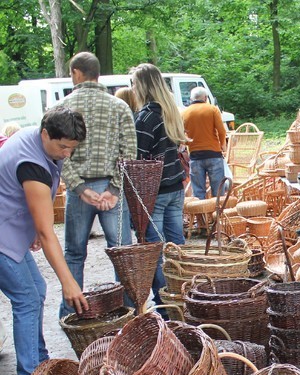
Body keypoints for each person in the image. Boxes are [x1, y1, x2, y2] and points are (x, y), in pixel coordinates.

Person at [0, 107, 89, 375]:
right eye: (62, 146)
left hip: (10, 229)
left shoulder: (36, 139)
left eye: (71, 148)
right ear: (45, 134)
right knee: (26, 297)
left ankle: (38, 361)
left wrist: (31, 229)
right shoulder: (33, 165)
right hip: (3, 236)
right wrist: (69, 282)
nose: (66, 154)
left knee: (36, 289)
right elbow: (49, 233)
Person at [57, 52, 136, 319]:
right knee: (122, 254)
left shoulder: (62, 108)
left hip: (80, 191)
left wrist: (79, 188)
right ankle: (128, 312)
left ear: (77, 73)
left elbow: (58, 157)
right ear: (97, 74)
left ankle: (70, 314)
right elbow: (130, 153)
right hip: (111, 190)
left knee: (74, 254)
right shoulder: (119, 107)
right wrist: (113, 190)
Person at [130, 63, 187, 308]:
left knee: (157, 252)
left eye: (133, 83)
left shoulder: (146, 117)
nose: (131, 88)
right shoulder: (170, 112)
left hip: (156, 193)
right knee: (177, 247)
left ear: (142, 86)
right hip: (175, 187)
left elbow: (139, 158)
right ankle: (184, 295)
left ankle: (166, 303)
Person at [182, 86, 227, 198]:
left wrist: (190, 144)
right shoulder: (212, 109)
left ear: (191, 99)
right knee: (218, 193)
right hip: (214, 155)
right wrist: (223, 146)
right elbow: (221, 131)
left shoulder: (185, 112)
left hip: (195, 156)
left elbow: (181, 136)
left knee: (198, 193)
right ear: (206, 98)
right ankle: (218, 215)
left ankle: (202, 215)